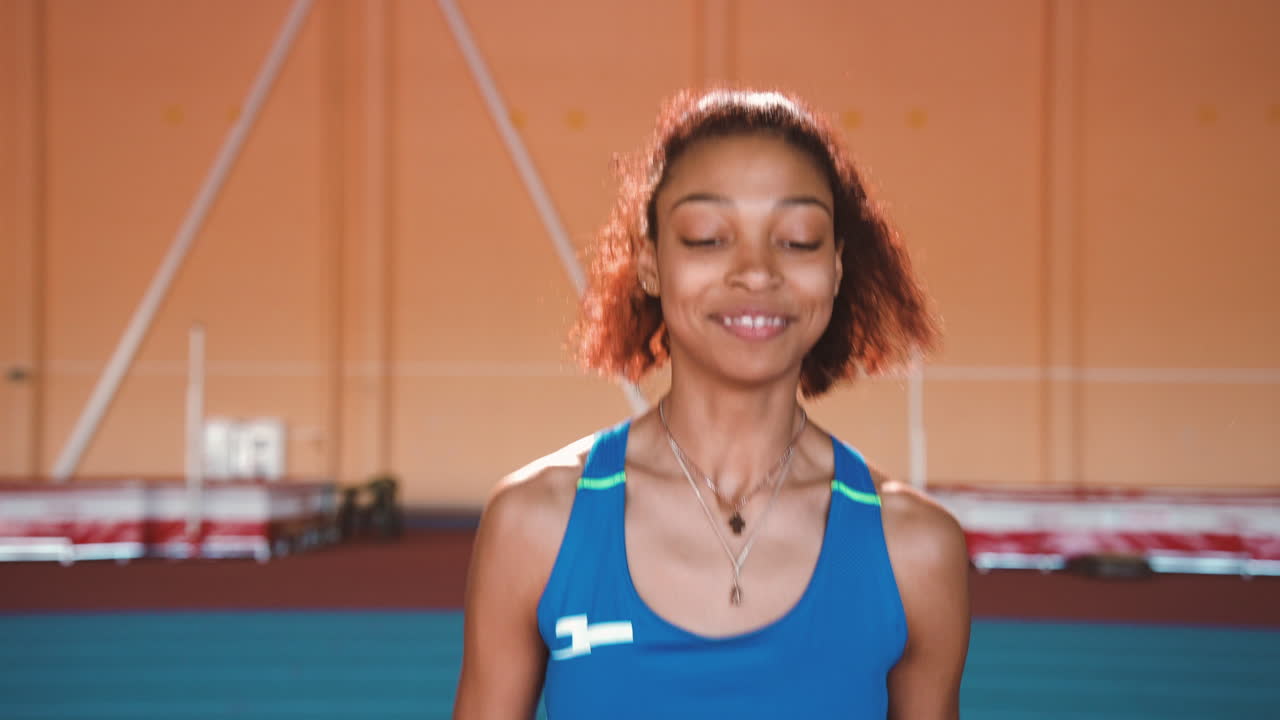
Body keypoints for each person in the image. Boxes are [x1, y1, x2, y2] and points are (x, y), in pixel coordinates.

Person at [454, 89, 970, 719]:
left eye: (799, 240)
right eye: (706, 238)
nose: (756, 271)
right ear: (649, 264)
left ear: (836, 269)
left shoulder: (914, 550)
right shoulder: (537, 524)